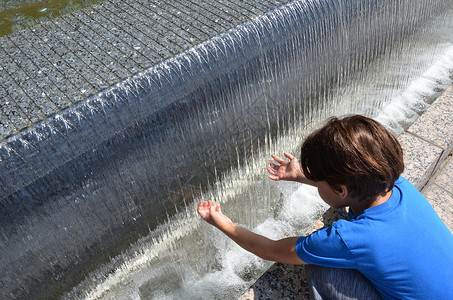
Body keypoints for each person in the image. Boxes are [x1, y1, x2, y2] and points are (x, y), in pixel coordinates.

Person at [197, 115, 453, 299]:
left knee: (323, 267)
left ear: (341, 189)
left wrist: (224, 223)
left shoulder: (348, 238)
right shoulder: (399, 186)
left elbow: (270, 250)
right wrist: (302, 175)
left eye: (319, 180)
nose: (315, 182)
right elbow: (351, 184)